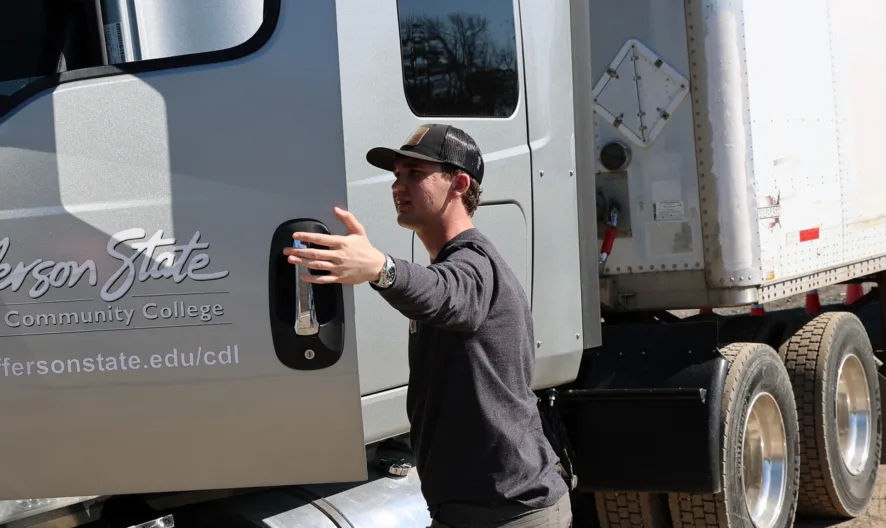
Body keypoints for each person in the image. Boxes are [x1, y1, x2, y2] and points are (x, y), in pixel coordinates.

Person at [283, 124, 572, 527]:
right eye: (397, 175)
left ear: (460, 183)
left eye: (415, 174)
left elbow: (443, 293)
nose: (398, 185)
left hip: (511, 513)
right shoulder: (453, 265)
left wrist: (379, 268)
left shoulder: (476, 263)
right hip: (468, 511)